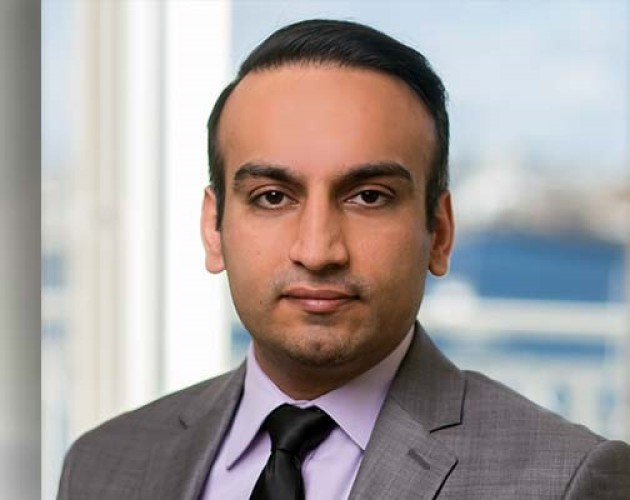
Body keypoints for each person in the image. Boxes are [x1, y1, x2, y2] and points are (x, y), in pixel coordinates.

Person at [58, 19, 630, 500]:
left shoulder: (568, 481)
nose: (318, 251)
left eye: (369, 197)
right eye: (273, 197)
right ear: (214, 228)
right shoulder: (102, 465)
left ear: (439, 232)